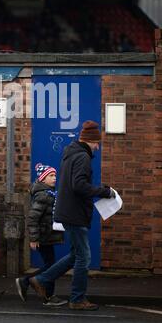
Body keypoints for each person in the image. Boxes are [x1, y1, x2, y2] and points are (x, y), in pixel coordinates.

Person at [29, 120, 115, 311]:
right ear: (91, 142)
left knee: (76, 255)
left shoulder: (71, 153)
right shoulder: (82, 157)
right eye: (97, 143)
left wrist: (99, 189)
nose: (98, 147)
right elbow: (79, 185)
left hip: (69, 212)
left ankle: (41, 280)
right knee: (84, 257)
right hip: (74, 213)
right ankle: (77, 298)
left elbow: (76, 183)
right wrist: (102, 192)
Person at [15, 163, 67, 307]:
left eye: (55, 175)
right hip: (43, 236)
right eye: (51, 176)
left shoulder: (50, 193)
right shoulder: (43, 195)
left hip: (47, 235)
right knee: (51, 267)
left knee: (50, 265)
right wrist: (34, 238)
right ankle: (29, 283)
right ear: (43, 178)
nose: (54, 178)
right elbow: (33, 217)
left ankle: (47, 295)